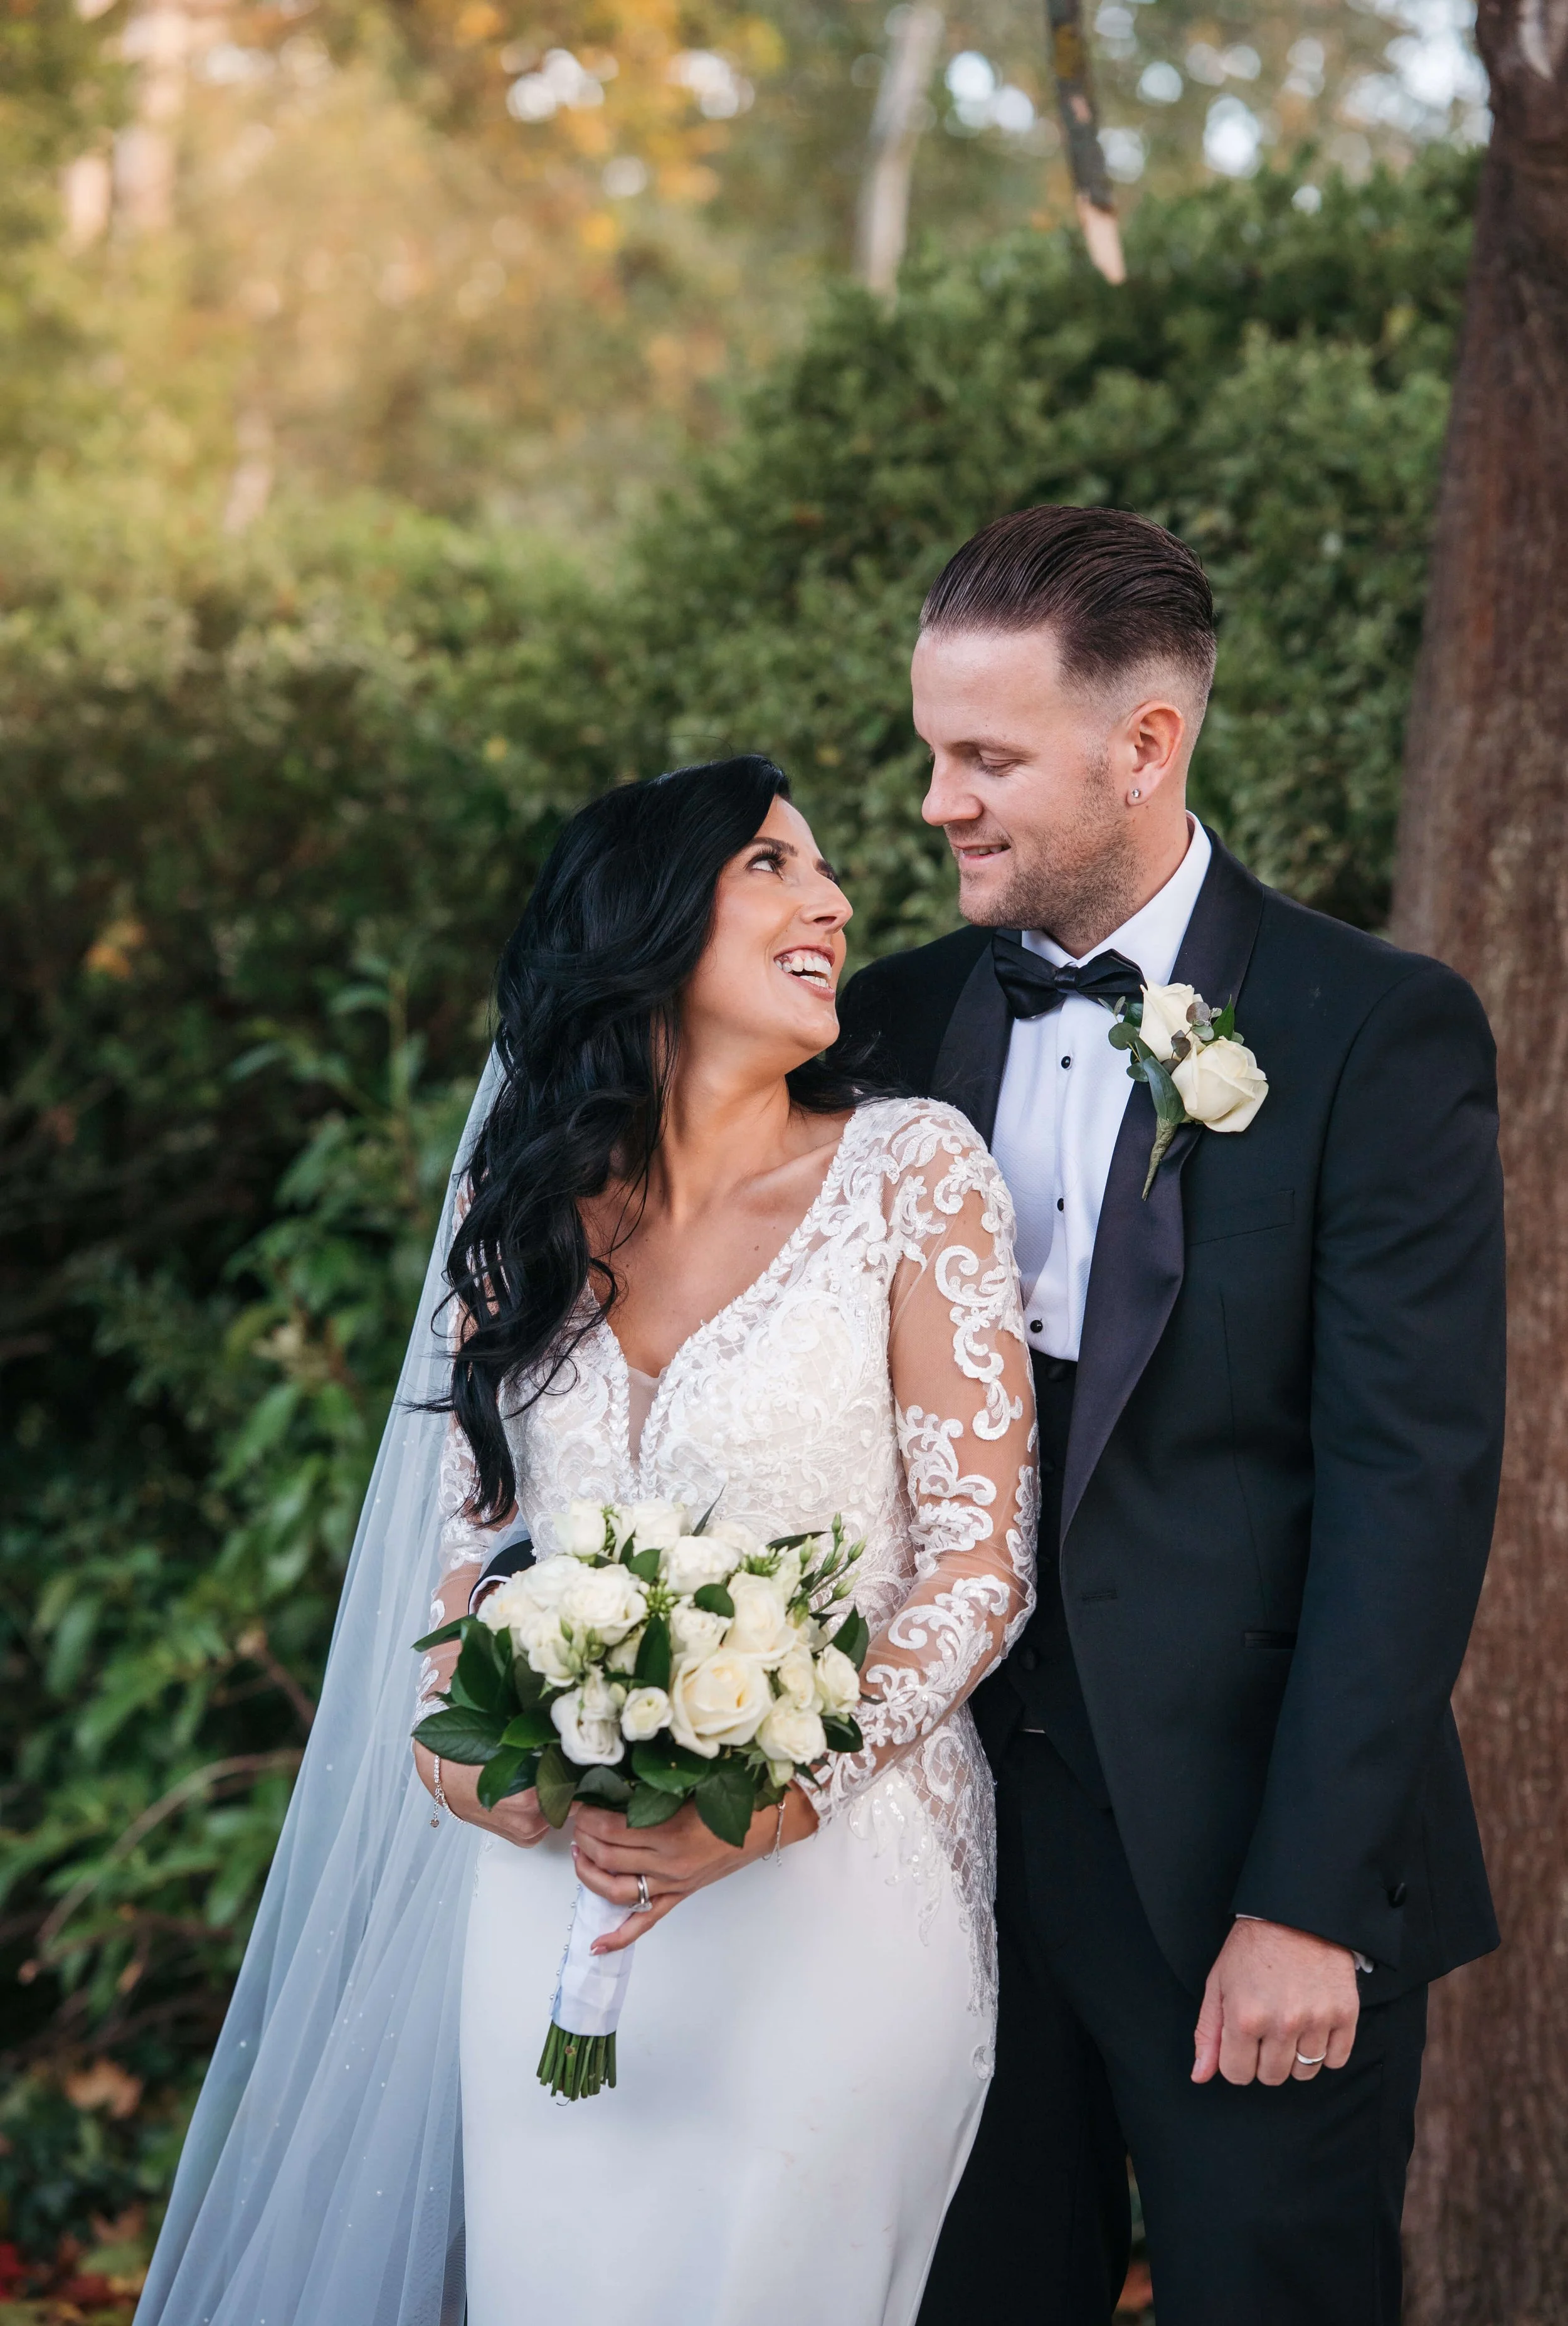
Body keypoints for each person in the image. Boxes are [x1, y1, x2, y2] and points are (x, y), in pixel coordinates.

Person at [136, 754, 1037, 2326]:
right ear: (645, 923)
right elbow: (465, 1565)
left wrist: (782, 1794)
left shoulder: (911, 1173)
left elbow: (978, 1563)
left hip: (836, 1888)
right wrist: (472, 1771)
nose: (831, 902)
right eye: (772, 864)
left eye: (825, 869)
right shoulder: (522, 1212)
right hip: (548, 1890)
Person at [835, 506, 1505, 2326]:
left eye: (985, 760)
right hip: (937, 1867)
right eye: (930, 753)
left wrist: (1305, 1899)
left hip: (1241, 1867)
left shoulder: (1374, 1030)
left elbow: (1409, 1488)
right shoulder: (885, 1024)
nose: (937, 804)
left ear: (1143, 746)